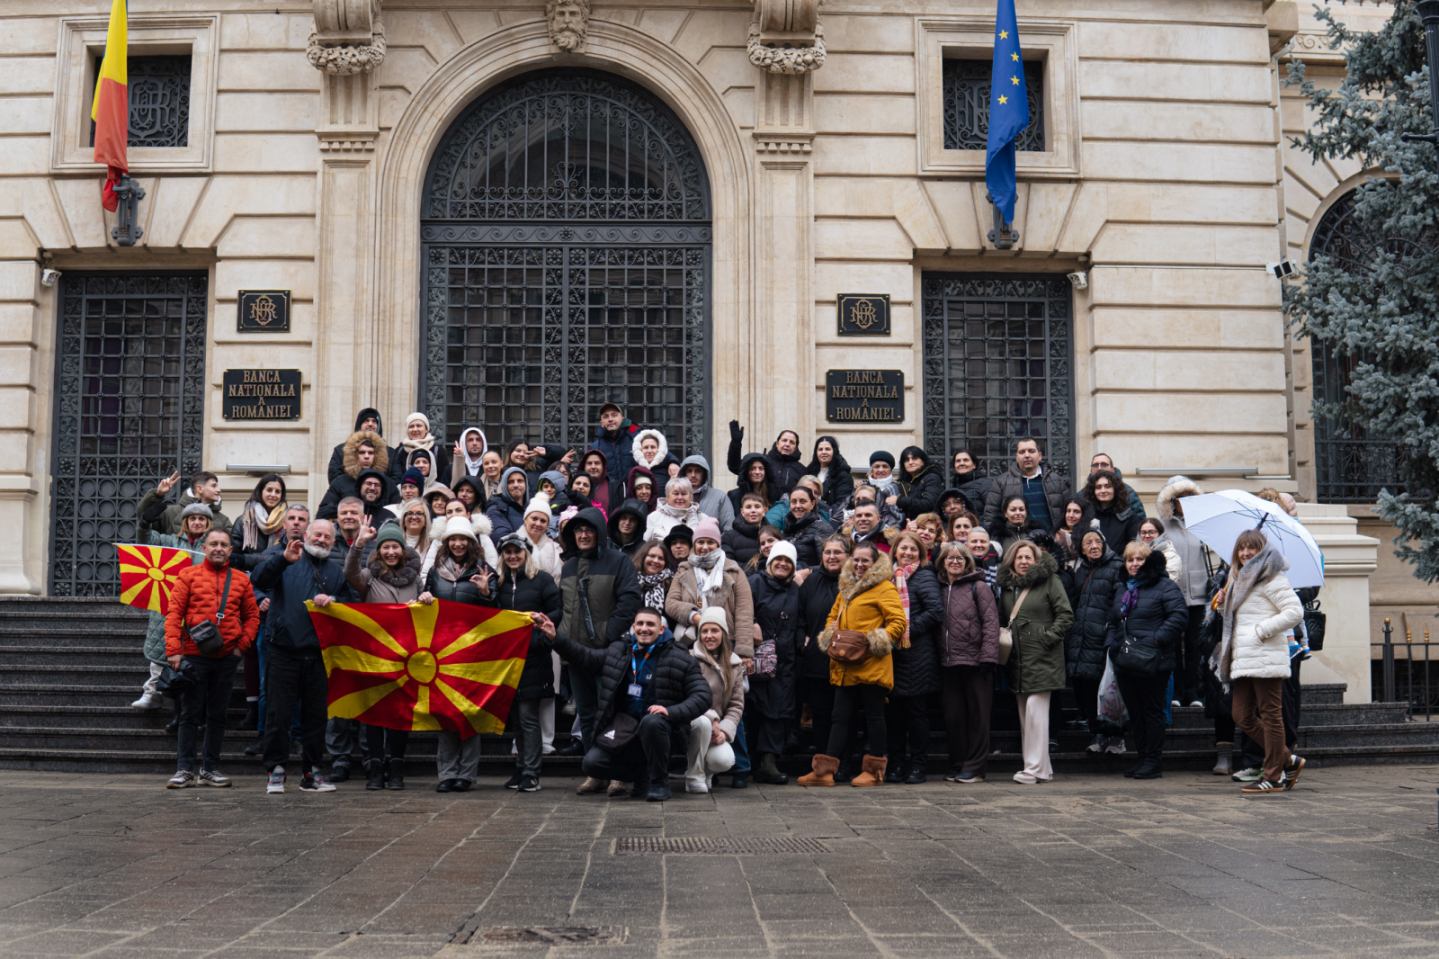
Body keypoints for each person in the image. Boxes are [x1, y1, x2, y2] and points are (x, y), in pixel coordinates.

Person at [545, 607, 712, 801]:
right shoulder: (620, 651)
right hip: (625, 728)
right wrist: (555, 637)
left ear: (661, 629)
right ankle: (642, 777)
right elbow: (586, 657)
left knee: (652, 722)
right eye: (640, 624)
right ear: (633, 627)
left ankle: (659, 783)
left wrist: (670, 711)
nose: (644, 628)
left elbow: (703, 695)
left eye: (650, 624)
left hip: (663, 731)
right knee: (592, 763)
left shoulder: (680, 657)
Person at [251, 520, 351, 794]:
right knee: (278, 714)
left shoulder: (335, 571)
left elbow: (350, 602)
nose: (321, 540)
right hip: (282, 650)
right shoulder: (285, 558)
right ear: (306, 535)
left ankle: (312, 772)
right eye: (317, 534)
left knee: (316, 717)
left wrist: (334, 602)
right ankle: (275, 770)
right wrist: (282, 560)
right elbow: (258, 579)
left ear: (333, 542)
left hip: (318, 654)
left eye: (327, 537)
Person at [798, 543, 907, 788]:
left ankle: (874, 772)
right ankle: (824, 772)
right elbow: (832, 615)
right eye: (856, 560)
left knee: (874, 716)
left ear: (874, 563)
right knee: (839, 717)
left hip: (872, 663)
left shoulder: (884, 587)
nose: (859, 564)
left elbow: (898, 622)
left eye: (865, 560)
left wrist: (873, 642)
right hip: (845, 663)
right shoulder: (846, 586)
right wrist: (831, 635)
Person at [162, 528, 259, 788]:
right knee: (189, 714)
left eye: (223, 545)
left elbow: (252, 616)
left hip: (227, 657)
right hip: (194, 656)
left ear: (230, 550)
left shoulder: (241, 580)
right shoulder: (188, 575)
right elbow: (174, 614)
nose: (218, 548)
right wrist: (174, 650)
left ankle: (209, 769)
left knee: (218, 714)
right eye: (213, 543)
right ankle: (184, 769)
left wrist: (242, 645)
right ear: (204, 548)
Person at [1211, 530, 1305, 795]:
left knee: (1271, 715)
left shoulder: (1271, 577)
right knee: (1241, 715)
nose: (1245, 553)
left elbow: (1295, 611)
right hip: (1244, 658)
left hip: (1265, 656)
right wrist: (1223, 604)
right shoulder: (1239, 578)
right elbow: (1240, 616)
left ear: (1261, 551)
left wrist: (1262, 630)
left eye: (1251, 548)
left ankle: (1274, 776)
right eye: (1241, 548)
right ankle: (1287, 759)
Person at [558, 507, 642, 789]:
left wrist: (608, 634)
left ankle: (618, 772)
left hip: (608, 653)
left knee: (613, 712)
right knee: (586, 713)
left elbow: (629, 600)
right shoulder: (568, 567)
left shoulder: (619, 561)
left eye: (588, 530)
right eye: (578, 531)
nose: (583, 535)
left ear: (599, 532)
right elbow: (563, 607)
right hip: (576, 654)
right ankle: (595, 771)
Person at [342, 522, 423, 790]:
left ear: (403, 550)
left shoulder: (416, 579)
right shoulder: (369, 576)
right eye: (386, 547)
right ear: (379, 551)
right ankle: (376, 769)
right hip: (374, 655)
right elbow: (350, 573)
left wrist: (426, 599)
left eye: (395, 547)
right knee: (375, 714)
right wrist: (359, 544)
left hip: (406, 657)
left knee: (400, 714)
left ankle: (396, 768)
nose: (390, 552)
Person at [482, 532, 563, 793]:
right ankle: (521, 767)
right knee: (516, 717)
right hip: (508, 659)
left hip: (534, 658)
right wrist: (487, 594)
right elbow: (493, 616)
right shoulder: (498, 582)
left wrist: (539, 634)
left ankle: (531, 772)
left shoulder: (542, 580)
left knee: (528, 716)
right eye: (507, 552)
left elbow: (556, 611)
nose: (512, 556)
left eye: (517, 551)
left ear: (526, 553)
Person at [420, 516, 495, 792]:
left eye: (463, 539)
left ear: (471, 542)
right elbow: (425, 604)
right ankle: (447, 773)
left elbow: (497, 612)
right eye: (454, 539)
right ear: (447, 542)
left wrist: (486, 593)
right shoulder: (435, 571)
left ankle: (466, 774)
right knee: (446, 714)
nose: (459, 543)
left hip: (474, 653)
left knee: (469, 715)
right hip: (442, 653)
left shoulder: (484, 569)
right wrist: (425, 598)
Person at [1106, 542, 1188, 779]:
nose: (1134, 564)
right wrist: (1113, 645)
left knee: (1152, 711)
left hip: (1154, 661)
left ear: (1148, 562)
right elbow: (1114, 620)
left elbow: (1179, 616)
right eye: (1130, 559)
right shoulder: (1123, 588)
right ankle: (1142, 757)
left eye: (1139, 559)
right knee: (1135, 712)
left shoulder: (1165, 586)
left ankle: (1153, 760)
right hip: (1126, 660)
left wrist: (1155, 640)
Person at [998, 539, 1074, 784]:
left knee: (1035, 713)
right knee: (1026, 716)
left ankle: (1033, 770)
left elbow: (1065, 614)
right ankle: (1042, 768)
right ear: (1012, 561)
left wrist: (1048, 638)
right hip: (1019, 660)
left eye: (1028, 557)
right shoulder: (1008, 587)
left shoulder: (1050, 581)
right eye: (1019, 557)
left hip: (1044, 656)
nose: (1023, 561)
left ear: (1036, 560)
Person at [131, 483, 210, 712]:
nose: (197, 522)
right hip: (168, 606)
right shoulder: (169, 542)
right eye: (193, 518)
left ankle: (188, 705)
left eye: (202, 519)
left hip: (199, 609)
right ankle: (152, 692)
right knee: (161, 651)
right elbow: (145, 540)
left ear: (208, 523)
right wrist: (145, 523)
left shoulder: (212, 546)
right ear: (185, 522)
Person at [935, 542, 999, 783]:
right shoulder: (939, 588)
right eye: (950, 558)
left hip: (976, 662)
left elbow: (991, 622)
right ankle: (958, 763)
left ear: (967, 562)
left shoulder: (979, 586)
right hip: (948, 663)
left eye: (960, 558)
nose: (954, 562)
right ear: (943, 562)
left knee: (978, 717)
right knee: (954, 717)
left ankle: (975, 767)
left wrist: (988, 656)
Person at [884, 531, 942, 783]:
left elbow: (935, 611)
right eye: (903, 548)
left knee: (916, 713)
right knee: (894, 714)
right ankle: (896, 764)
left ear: (921, 553)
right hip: (893, 655)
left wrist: (904, 631)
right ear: (895, 551)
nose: (907, 553)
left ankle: (918, 765)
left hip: (918, 653)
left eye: (913, 549)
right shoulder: (887, 576)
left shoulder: (925, 576)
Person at [1156, 475, 1216, 715]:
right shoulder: (1163, 526)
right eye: (1180, 498)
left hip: (1199, 595)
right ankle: (1177, 692)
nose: (1185, 502)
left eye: (1189, 497)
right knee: (1173, 645)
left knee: (1194, 645)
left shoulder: (1202, 526)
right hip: (1173, 595)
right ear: (1172, 501)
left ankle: (1193, 691)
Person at [1065, 530, 1126, 755]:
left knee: (1108, 689)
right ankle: (1097, 733)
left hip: (1103, 637)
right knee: (1085, 689)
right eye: (1088, 542)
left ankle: (1116, 736)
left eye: (1097, 541)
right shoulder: (1081, 570)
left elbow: (1118, 601)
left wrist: (1110, 629)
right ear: (1081, 549)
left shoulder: (1116, 566)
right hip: (1080, 639)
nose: (1093, 545)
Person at [746, 540, 802, 784]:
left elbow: (801, 619)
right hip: (756, 656)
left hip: (785, 659)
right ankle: (748, 762)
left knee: (778, 711)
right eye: (778, 559)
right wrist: (752, 624)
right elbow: (741, 611)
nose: (782, 564)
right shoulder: (754, 583)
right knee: (754, 707)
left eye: (788, 561)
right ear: (769, 562)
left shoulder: (795, 590)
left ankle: (768, 762)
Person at [665, 516, 755, 658]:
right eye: (700, 542)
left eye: (710, 542)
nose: (705, 547)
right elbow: (671, 603)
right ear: (694, 544)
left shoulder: (734, 571)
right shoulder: (684, 569)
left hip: (727, 641)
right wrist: (694, 616)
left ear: (718, 545)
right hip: (691, 641)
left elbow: (744, 612)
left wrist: (744, 652)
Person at [797, 536, 847, 758]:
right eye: (828, 552)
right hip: (817, 660)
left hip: (846, 660)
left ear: (848, 556)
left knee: (843, 715)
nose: (832, 557)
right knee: (820, 713)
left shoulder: (854, 580)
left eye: (837, 552)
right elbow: (799, 615)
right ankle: (822, 760)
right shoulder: (811, 581)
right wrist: (802, 640)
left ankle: (842, 761)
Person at [686, 607, 744, 793]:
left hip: (717, 728)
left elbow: (736, 705)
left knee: (724, 760)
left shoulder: (735, 664)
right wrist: (712, 719)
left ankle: (706, 771)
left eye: (714, 630)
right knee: (703, 723)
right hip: (693, 722)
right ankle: (694, 775)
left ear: (723, 634)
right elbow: (687, 696)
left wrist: (724, 731)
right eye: (704, 631)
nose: (709, 636)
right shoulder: (690, 659)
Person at [982, 437, 1068, 533]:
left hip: (1050, 538)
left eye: (1031, 451)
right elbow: (990, 516)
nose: (1027, 455)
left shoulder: (1056, 481)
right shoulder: (1001, 482)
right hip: (1015, 539)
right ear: (1016, 457)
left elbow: (1067, 512)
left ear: (1040, 456)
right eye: (1022, 452)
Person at [318, 431, 393, 519]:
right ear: (354, 455)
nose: (366, 456)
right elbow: (323, 513)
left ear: (377, 455)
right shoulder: (340, 482)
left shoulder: (388, 484)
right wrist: (348, 510)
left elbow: (396, 513)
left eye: (370, 453)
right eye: (362, 452)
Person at [728, 421, 805, 492]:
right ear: (777, 443)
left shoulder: (801, 469)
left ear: (795, 447)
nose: (787, 444)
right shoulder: (763, 461)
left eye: (792, 442)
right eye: (784, 440)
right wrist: (736, 443)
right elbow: (735, 467)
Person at [150, 469, 232, 534]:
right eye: (214, 486)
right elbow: (146, 528)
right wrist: (158, 494)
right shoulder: (169, 513)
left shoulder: (223, 520)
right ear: (199, 489)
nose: (219, 490)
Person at [1083, 469, 1143, 554]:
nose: (1103, 491)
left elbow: (1134, 549)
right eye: (1098, 487)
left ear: (1115, 489)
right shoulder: (1086, 515)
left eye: (1107, 486)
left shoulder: (1129, 517)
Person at [1076, 452, 1145, 520]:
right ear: (1091, 470)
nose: (1099, 468)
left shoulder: (1128, 494)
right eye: (1095, 465)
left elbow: (1140, 521)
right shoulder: (1082, 496)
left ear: (1112, 469)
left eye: (1104, 464)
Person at [782, 483, 835, 569]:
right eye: (794, 502)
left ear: (812, 504)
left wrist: (807, 571)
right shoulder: (788, 528)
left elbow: (827, 565)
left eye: (802, 501)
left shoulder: (822, 529)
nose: (797, 506)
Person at [328, 407, 385, 482]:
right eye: (366, 421)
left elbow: (394, 479)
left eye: (374, 421)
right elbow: (334, 477)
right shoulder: (341, 450)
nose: (370, 424)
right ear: (359, 425)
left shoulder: (389, 452)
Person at [679, 454, 736, 531]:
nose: (693, 475)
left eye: (698, 471)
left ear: (704, 474)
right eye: (689, 471)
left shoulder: (719, 497)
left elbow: (729, 527)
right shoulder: (677, 497)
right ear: (684, 473)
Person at [889, 446, 944, 522]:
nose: (910, 462)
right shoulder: (903, 482)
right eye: (907, 460)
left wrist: (899, 501)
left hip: (927, 524)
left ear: (923, 461)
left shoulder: (932, 478)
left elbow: (929, 504)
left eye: (914, 458)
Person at [805, 435, 855, 513]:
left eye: (827, 449)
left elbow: (842, 503)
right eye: (820, 449)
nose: (823, 452)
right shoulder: (809, 472)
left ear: (834, 451)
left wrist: (824, 512)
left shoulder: (843, 475)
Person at [591, 401, 641, 479]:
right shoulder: (596, 446)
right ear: (601, 423)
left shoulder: (635, 438)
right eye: (606, 416)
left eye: (614, 415)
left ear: (622, 419)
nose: (610, 419)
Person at [644, 476, 702, 543]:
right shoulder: (654, 517)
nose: (680, 497)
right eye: (676, 494)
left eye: (684, 494)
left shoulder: (702, 518)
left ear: (691, 497)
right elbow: (648, 543)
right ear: (667, 497)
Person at [486, 466, 531, 541]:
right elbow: (501, 537)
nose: (516, 485)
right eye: (511, 482)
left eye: (520, 481)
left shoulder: (533, 508)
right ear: (504, 486)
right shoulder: (496, 508)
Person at [722, 492, 766, 565]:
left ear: (764, 511)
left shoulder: (773, 535)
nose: (753, 510)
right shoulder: (728, 537)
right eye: (748, 507)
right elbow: (728, 564)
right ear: (742, 512)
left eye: (757, 506)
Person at [579, 448, 624, 517]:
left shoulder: (616, 487)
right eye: (589, 463)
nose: (593, 466)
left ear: (603, 466)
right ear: (584, 467)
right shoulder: (577, 486)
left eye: (597, 463)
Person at [949, 449, 994, 516]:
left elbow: (993, 511)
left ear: (974, 465)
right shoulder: (953, 486)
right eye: (958, 461)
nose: (961, 463)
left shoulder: (985, 484)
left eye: (966, 460)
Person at [1138, 517, 1182, 583]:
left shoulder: (1170, 555)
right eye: (1143, 532)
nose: (1147, 535)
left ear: (1160, 534)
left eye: (1151, 532)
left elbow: (1169, 581)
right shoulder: (1136, 553)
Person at [634, 541, 674, 611]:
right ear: (643, 557)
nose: (656, 561)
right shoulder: (631, 580)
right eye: (652, 556)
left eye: (660, 558)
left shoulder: (671, 584)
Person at [1053, 497, 1088, 566]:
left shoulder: (1091, 534)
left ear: (1084, 515)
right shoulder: (1056, 535)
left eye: (1076, 512)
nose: (1071, 515)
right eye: (1068, 511)